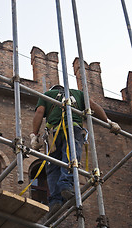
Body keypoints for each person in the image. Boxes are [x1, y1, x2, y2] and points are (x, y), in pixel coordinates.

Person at [30, 85, 121, 217]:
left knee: (53, 166)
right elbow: (93, 106)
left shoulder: (47, 95)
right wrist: (109, 122)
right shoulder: (78, 94)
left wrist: (34, 135)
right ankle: (65, 184)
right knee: (71, 157)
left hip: (52, 134)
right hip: (72, 129)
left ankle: (55, 199)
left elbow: (39, 113)